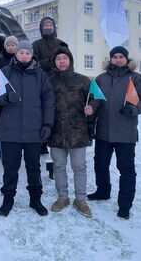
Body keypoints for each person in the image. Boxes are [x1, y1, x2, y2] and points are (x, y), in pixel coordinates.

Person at [0, 40, 55, 217]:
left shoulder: (40, 75)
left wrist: (47, 124)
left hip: (34, 131)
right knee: (10, 168)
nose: (24, 55)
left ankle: (35, 199)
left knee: (34, 168)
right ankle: (8, 199)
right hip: (10, 131)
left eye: (27, 52)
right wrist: (7, 97)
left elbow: (49, 101)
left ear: (32, 54)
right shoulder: (5, 72)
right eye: (21, 52)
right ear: (15, 54)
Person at [87, 46, 141, 220]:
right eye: (115, 57)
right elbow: (95, 101)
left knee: (126, 169)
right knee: (100, 165)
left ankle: (125, 205)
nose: (118, 59)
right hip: (103, 132)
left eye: (121, 57)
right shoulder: (101, 79)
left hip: (126, 133)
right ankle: (103, 191)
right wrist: (91, 125)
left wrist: (134, 109)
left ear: (126, 59)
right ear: (110, 59)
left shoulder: (136, 78)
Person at [47, 47, 96, 217]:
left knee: (79, 167)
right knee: (59, 166)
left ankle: (80, 199)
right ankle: (63, 197)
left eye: (65, 58)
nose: (62, 61)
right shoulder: (49, 81)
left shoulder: (83, 81)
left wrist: (92, 107)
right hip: (56, 131)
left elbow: (95, 99)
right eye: (58, 58)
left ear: (70, 61)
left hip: (78, 131)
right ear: (54, 62)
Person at [32, 16, 67, 155]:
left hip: (60, 82)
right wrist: (51, 60)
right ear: (41, 28)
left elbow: (68, 63)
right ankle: (42, 142)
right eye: (45, 25)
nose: (48, 27)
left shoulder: (62, 44)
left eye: (50, 25)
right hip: (43, 83)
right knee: (43, 112)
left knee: (59, 111)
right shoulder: (36, 44)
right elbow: (35, 64)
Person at [0, 36, 18, 128]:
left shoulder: (19, 60)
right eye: (8, 45)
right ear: (5, 47)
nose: (10, 47)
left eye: (13, 45)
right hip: (2, 91)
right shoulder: (0, 60)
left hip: (15, 91)